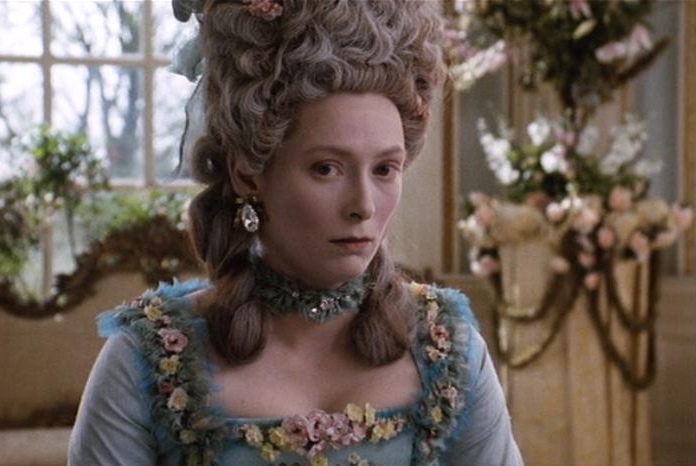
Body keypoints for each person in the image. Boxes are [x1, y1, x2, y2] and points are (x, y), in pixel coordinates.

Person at [69, 1, 523, 465]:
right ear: (248, 173)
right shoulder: (144, 359)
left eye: (385, 169)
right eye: (327, 168)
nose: (364, 205)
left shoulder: (447, 348)